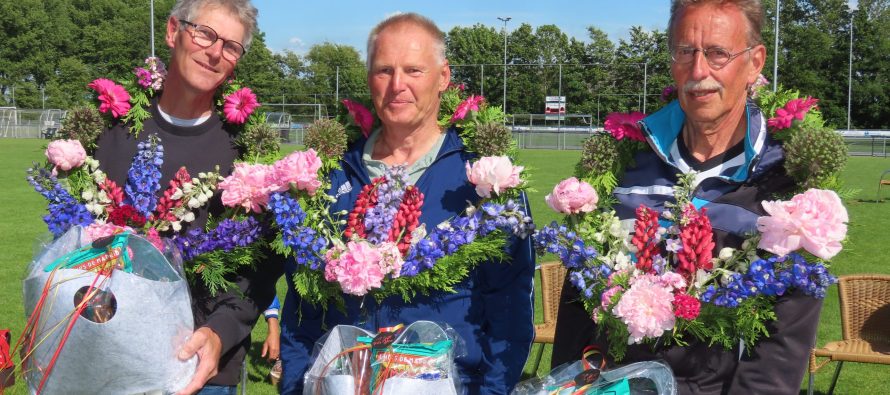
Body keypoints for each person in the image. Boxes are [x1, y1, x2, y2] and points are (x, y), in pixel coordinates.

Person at [551, 0, 822, 394]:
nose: (699, 71)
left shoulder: (787, 187)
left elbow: (779, 354)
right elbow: (581, 297)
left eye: (718, 53)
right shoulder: (624, 165)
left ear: (755, 61)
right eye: (685, 52)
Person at [278, 13, 536, 395]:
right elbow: (302, 307)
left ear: (443, 77)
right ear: (369, 78)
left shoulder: (485, 180)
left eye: (413, 70)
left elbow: (510, 310)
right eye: (384, 70)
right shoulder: (330, 176)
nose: (397, 85)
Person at [92, 0, 281, 393]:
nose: (214, 52)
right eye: (205, 33)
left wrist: (219, 333)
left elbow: (258, 270)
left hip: (197, 366)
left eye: (231, 46)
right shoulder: (111, 132)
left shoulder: (245, 155)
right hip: (105, 351)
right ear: (173, 31)